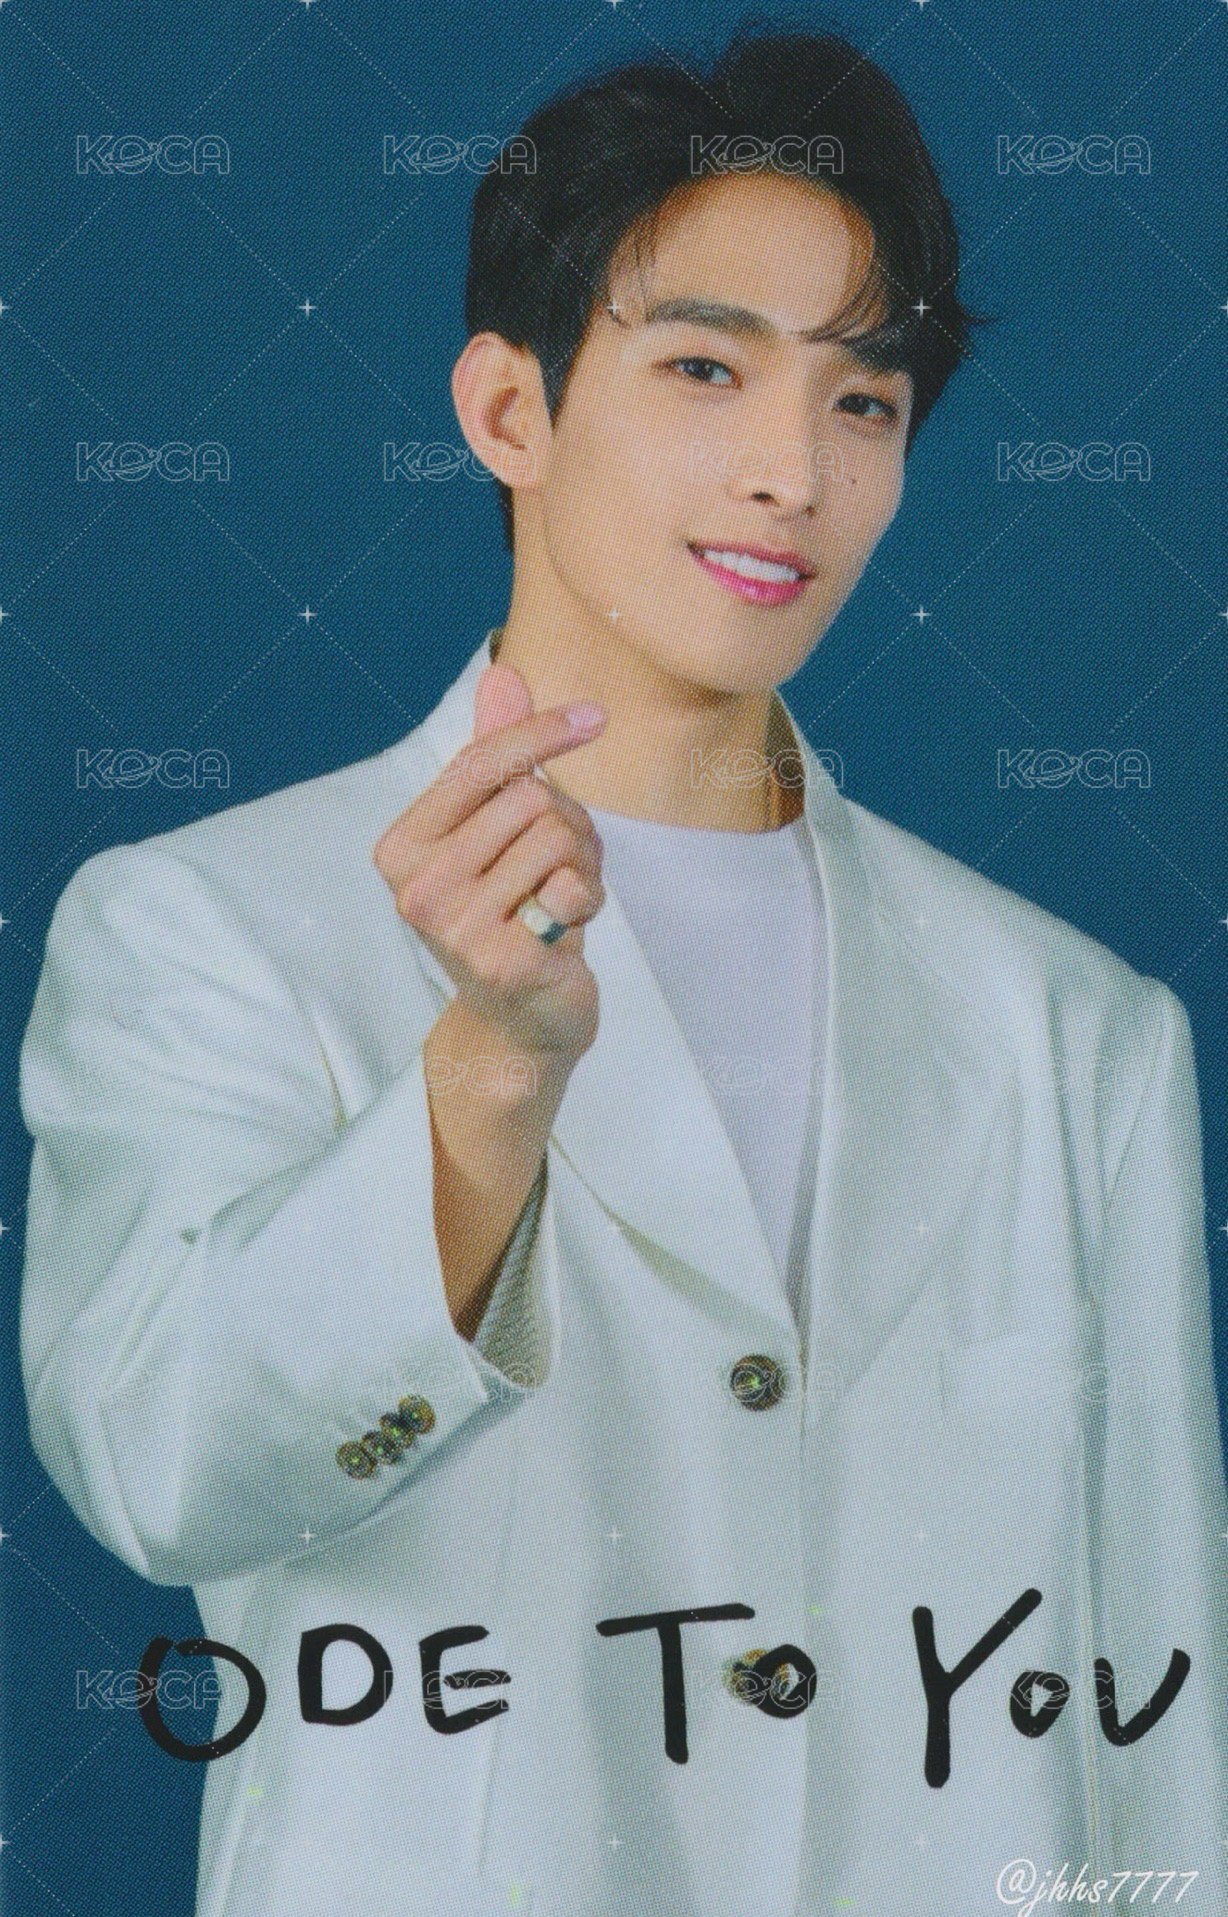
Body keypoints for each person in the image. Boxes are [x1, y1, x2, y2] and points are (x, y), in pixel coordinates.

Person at [19, 27, 1228, 1917]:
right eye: (703, 368)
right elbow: (162, 1467)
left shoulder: (1079, 1031)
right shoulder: (209, 921)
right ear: (509, 407)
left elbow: (1158, 1707)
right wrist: (487, 1079)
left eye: (862, 401)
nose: (789, 472)